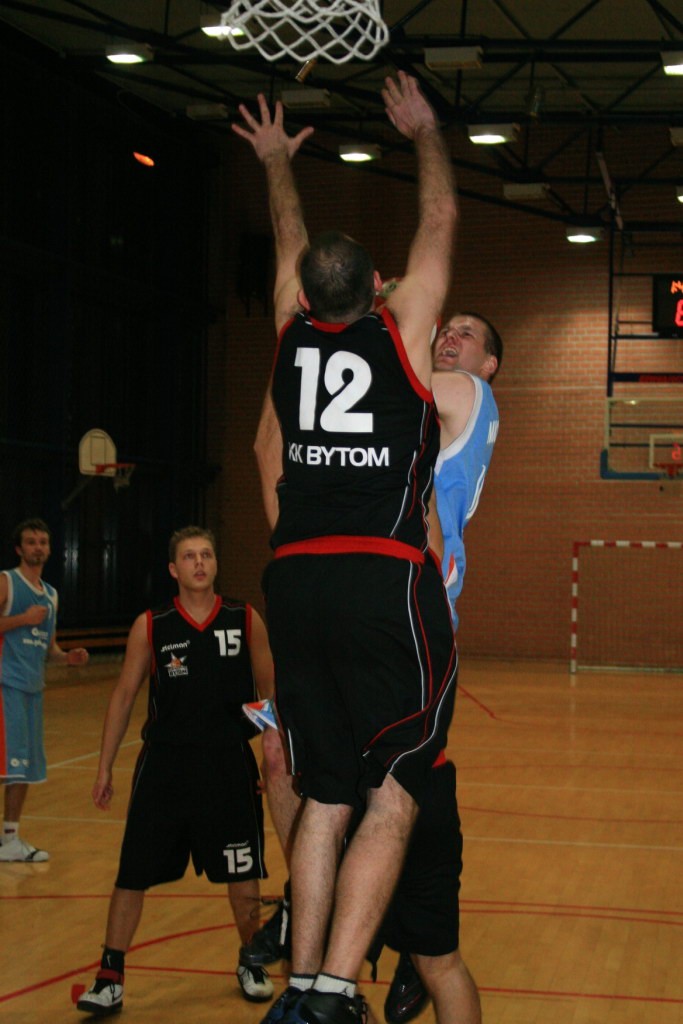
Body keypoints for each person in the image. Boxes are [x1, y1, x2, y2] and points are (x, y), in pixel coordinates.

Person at [234, 70, 458, 1024]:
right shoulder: (402, 335)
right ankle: (333, 992)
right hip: (382, 575)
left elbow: (289, 239)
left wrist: (275, 161)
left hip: (294, 578)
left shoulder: (288, 334)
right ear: (378, 289)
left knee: (323, 795)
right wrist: (425, 131)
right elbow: (439, 215)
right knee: (397, 788)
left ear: (306, 294)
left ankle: (299, 991)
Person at [76, 526, 275, 1015]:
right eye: (189, 556)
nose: (200, 563)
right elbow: (124, 695)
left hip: (229, 764)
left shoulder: (245, 619)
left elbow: (272, 694)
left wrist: (276, 762)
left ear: (216, 564)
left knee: (242, 870)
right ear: (173, 568)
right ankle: (110, 975)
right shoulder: (152, 624)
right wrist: (104, 767)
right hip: (164, 767)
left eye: (207, 554)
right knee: (132, 872)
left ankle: (251, 960)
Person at [380, 311, 502, 1024]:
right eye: (446, 327)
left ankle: (413, 938)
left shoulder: (467, 393)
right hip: (394, 608)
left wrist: (386, 313)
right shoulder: (436, 410)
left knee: (394, 784)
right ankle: (398, 932)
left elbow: (395, 373)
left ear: (488, 365)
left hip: (416, 617)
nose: (452, 336)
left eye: (468, 334)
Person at [0, 517, 88, 863]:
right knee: (6, 765)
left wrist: (67, 658)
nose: (38, 547)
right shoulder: (7, 582)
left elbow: (48, 648)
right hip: (5, 686)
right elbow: (22, 625)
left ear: (50, 549)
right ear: (19, 549)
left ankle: (10, 839)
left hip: (32, 690)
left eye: (43, 542)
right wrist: (22, 619)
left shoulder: (51, 595)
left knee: (21, 769)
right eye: (31, 542)